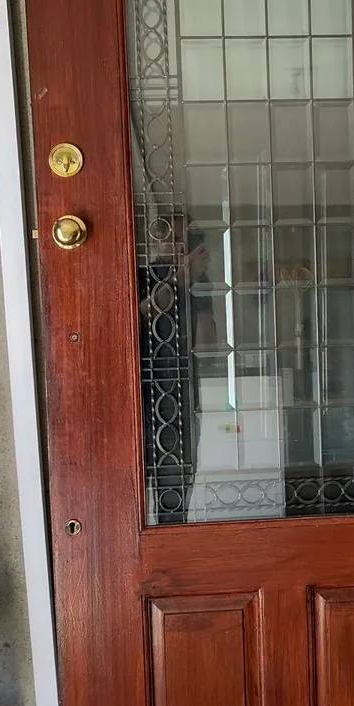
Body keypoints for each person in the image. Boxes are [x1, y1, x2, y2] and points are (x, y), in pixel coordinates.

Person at [138, 212, 216, 522]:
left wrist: (198, 291)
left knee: (174, 499)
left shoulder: (199, 281)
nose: (175, 244)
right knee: (128, 496)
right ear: (155, 239)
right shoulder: (139, 274)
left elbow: (206, 349)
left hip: (180, 403)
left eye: (182, 239)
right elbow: (136, 319)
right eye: (168, 235)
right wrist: (180, 278)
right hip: (138, 401)